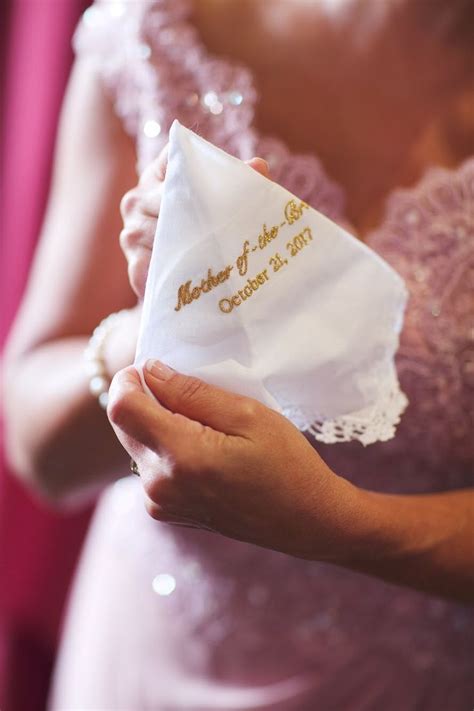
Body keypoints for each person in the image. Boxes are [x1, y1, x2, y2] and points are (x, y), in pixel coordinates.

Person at [3, 0, 473, 708]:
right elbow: (39, 451)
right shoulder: (164, 30)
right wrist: (161, 320)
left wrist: (337, 522)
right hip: (152, 653)